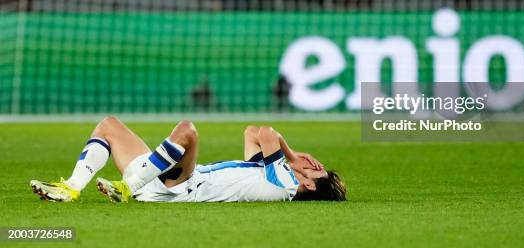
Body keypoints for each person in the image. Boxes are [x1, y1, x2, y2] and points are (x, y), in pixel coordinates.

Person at [30, 117, 346, 203]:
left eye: (313, 170)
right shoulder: (269, 173)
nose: (309, 164)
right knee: (108, 126)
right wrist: (289, 155)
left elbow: (266, 132)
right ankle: (71, 187)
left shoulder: (286, 184)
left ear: (306, 183)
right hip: (164, 180)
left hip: (184, 187)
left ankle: (126, 187)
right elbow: (252, 132)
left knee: (187, 131)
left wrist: (291, 154)